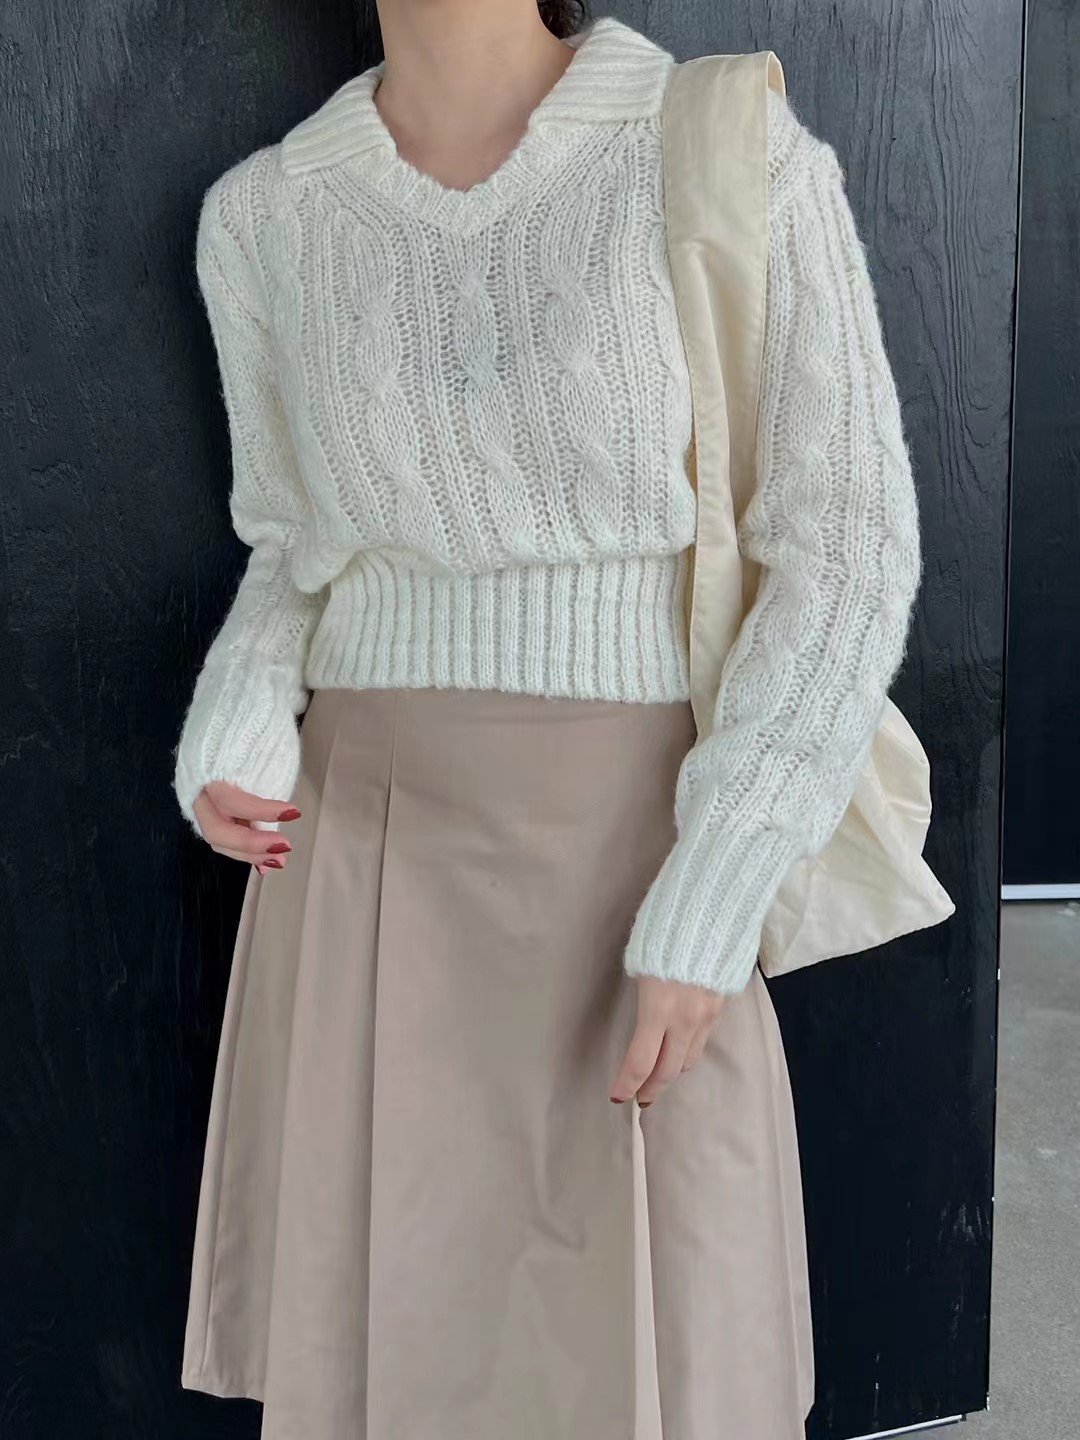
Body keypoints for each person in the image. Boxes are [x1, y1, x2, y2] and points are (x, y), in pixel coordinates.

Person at [172, 4, 922, 1438]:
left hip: (637, 849)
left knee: (643, 1351)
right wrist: (241, 713)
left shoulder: (720, 142)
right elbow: (290, 545)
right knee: (395, 1343)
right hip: (363, 846)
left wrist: (717, 891)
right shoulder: (266, 213)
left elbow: (843, 551)